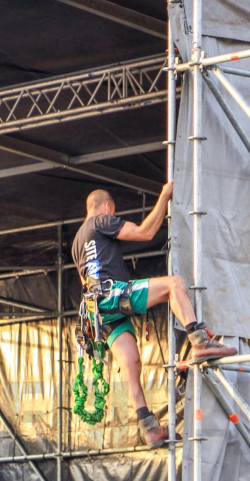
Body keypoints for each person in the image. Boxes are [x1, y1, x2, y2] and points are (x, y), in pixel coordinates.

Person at [72, 183, 237, 448]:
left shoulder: (78, 240)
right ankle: (199, 341)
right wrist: (164, 197)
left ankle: (148, 426)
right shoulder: (102, 220)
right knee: (174, 285)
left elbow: (84, 281)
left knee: (131, 364)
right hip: (112, 294)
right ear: (106, 207)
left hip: (96, 310)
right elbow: (145, 232)